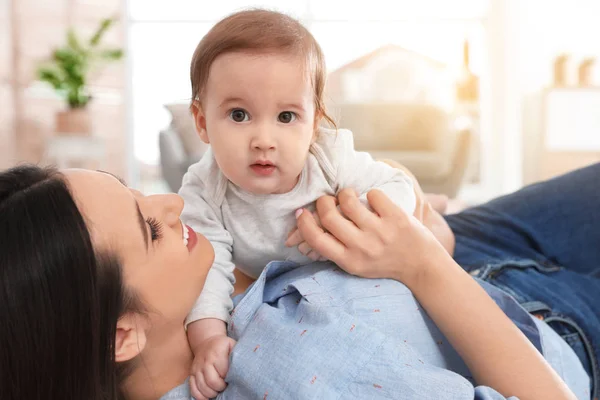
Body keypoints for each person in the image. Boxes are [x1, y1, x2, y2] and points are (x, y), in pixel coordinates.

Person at [1, 163, 597, 400]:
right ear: (119, 337)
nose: (170, 202)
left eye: (134, 188)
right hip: (548, 328)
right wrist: (423, 265)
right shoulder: (296, 376)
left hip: (470, 245)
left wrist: (407, 212)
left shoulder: (168, 315)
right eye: (148, 226)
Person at [178, 9, 416, 398]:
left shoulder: (328, 157)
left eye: (286, 116)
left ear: (314, 124)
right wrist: (207, 339)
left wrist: (344, 217)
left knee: (435, 233)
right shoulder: (204, 188)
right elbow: (207, 269)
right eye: (239, 115)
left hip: (347, 262)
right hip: (278, 275)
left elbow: (397, 187)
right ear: (202, 122)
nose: (264, 139)